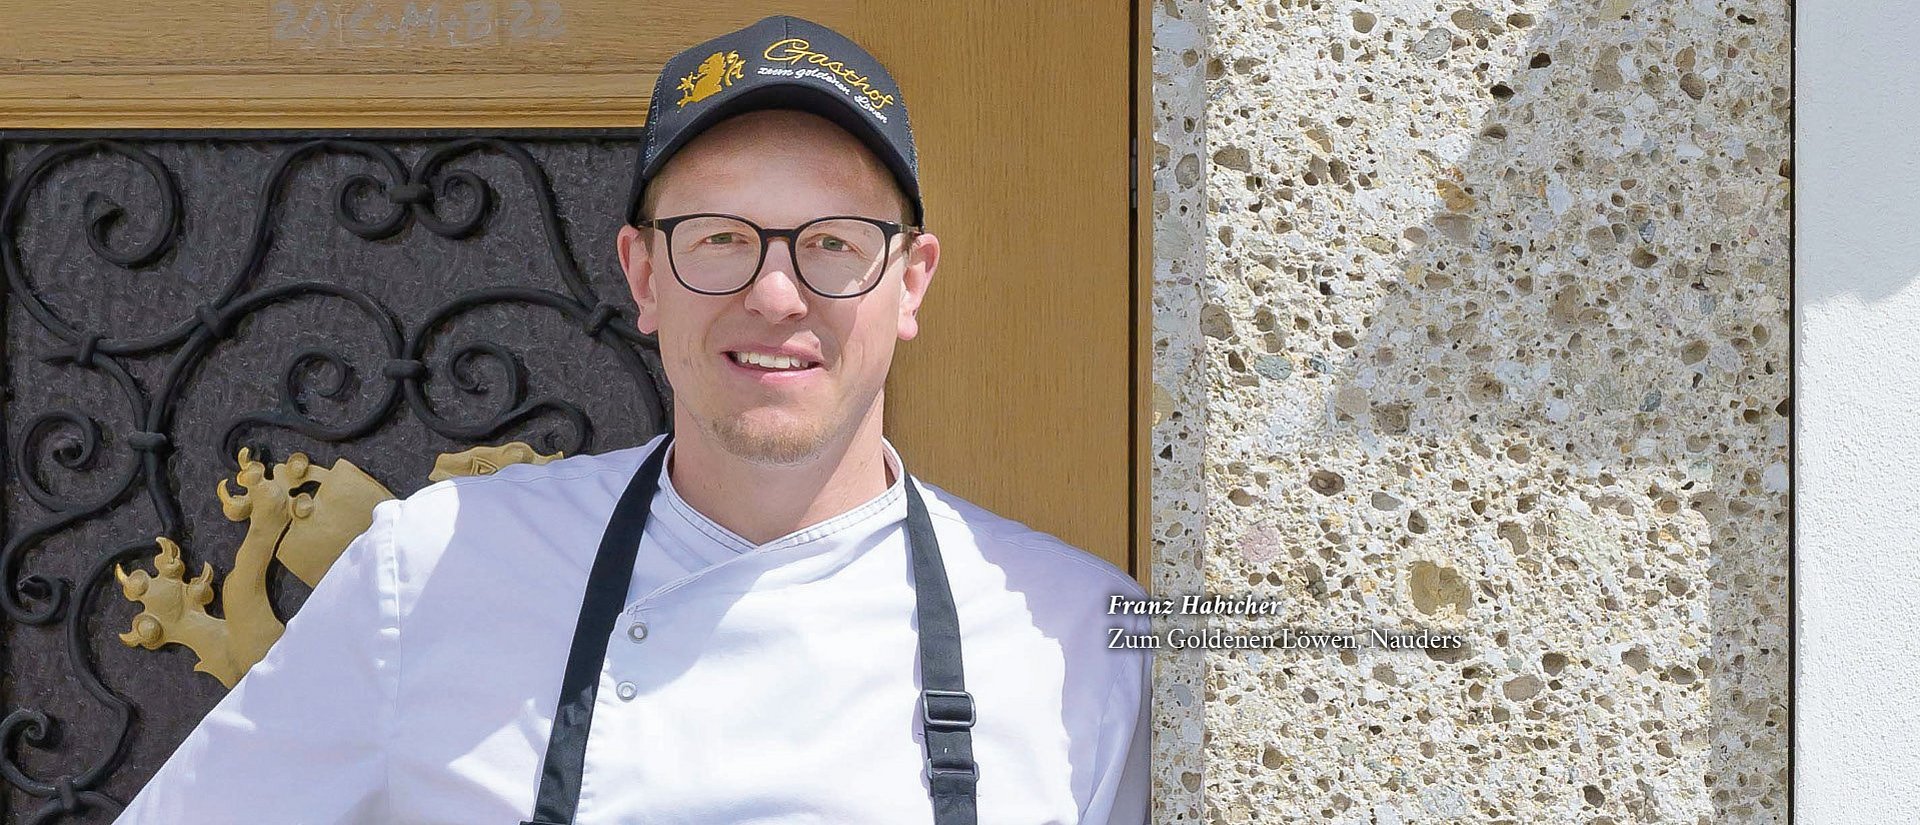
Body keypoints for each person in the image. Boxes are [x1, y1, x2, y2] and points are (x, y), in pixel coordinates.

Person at [116, 14, 1151, 824]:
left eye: (834, 243)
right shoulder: (432, 572)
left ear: (910, 281)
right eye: (720, 238)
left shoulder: (1081, 637)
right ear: (644, 274)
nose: (776, 295)